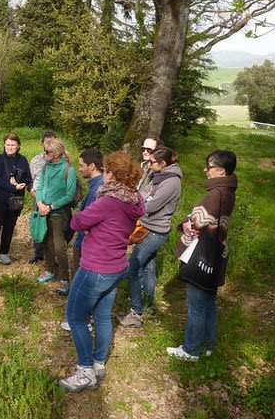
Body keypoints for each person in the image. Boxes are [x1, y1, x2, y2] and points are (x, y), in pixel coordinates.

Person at [60, 152, 144, 392]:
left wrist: (90, 227)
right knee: (102, 316)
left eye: (106, 171)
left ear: (110, 174)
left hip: (96, 268)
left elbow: (76, 222)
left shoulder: (108, 201)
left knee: (75, 317)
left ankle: (85, 371)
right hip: (117, 266)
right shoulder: (133, 199)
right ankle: (98, 364)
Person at [167, 150, 238, 361]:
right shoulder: (229, 190)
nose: (205, 170)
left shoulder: (215, 193)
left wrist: (186, 223)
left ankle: (191, 350)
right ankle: (207, 345)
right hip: (215, 254)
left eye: (209, 166)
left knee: (196, 306)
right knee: (207, 302)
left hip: (203, 255)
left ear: (221, 170)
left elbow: (197, 223)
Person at [119, 147, 182, 327]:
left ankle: (137, 312)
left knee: (133, 268)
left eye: (152, 162)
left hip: (155, 231)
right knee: (148, 268)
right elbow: (142, 194)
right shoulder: (159, 176)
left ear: (163, 163)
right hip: (149, 227)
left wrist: (143, 201)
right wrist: (143, 199)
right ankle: (148, 305)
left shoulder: (171, 182)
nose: (149, 164)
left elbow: (151, 206)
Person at [60, 147, 104, 332]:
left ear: (92, 166)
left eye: (82, 165)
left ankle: (81, 320)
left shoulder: (97, 189)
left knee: (81, 283)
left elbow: (90, 220)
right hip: (87, 242)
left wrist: (80, 231)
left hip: (86, 243)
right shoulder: (97, 185)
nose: (80, 169)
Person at [35, 137, 77, 295]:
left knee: (60, 247)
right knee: (46, 243)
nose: (44, 154)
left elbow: (69, 195)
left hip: (58, 214)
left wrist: (51, 206)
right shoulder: (46, 167)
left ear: (56, 154)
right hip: (43, 212)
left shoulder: (68, 170)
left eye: (47, 151)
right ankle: (50, 270)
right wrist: (40, 203)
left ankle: (65, 279)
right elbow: (40, 187)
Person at [0, 133, 32, 270]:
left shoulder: (23, 160)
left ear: (18, 146)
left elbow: (28, 178)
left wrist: (25, 185)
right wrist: (13, 186)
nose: (10, 147)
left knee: (9, 226)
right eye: (7, 144)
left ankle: (4, 252)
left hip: (16, 199)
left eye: (13, 145)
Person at [28, 131, 57, 264]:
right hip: (38, 199)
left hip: (56, 200)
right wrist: (38, 199)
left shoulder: (62, 160)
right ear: (42, 144)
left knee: (54, 228)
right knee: (38, 226)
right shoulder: (35, 161)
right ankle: (38, 254)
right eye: (47, 142)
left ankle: (53, 256)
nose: (50, 145)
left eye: (52, 142)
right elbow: (31, 182)